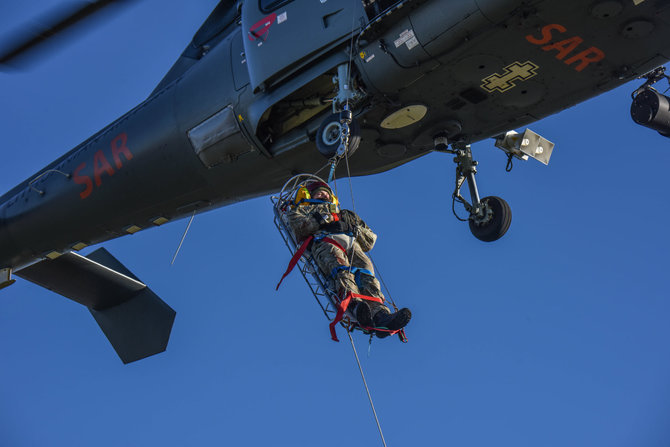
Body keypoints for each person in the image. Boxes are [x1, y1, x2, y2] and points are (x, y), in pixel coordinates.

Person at [286, 180, 411, 337]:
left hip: (351, 243)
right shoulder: (301, 210)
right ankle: (355, 306)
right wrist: (324, 218)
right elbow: (299, 227)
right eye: (318, 192)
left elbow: (370, 240)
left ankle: (380, 314)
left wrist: (354, 229)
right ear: (310, 195)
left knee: (366, 272)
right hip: (324, 241)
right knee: (342, 269)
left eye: (326, 192)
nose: (323, 194)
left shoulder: (346, 214)